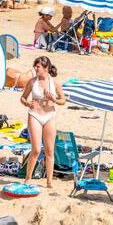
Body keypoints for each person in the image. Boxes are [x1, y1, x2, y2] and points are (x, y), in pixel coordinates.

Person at [22, 57, 66, 188]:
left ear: (46, 68)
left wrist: (54, 99)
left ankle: (49, 182)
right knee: (35, 149)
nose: (35, 69)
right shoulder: (32, 82)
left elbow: (63, 100)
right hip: (35, 114)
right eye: (35, 66)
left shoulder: (54, 83)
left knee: (49, 150)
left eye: (38, 67)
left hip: (49, 115)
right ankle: (28, 178)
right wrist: (26, 103)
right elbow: (23, 97)